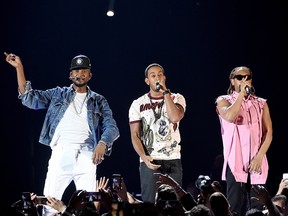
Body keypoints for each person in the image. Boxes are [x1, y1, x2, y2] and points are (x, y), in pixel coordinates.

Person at [4, 52, 120, 216]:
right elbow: (29, 98)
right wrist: (19, 68)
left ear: (90, 74)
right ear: (70, 74)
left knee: (89, 209)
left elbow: (112, 126)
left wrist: (102, 143)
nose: (80, 74)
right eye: (76, 71)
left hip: (87, 156)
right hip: (61, 153)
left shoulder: (98, 100)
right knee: (50, 206)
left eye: (84, 70)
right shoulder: (57, 94)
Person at [215, 66, 273, 216]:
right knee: (234, 207)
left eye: (247, 77)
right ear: (232, 81)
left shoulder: (261, 103)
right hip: (235, 162)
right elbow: (230, 117)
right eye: (240, 77)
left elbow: (269, 133)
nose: (244, 80)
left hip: (257, 161)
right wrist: (241, 95)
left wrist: (259, 157)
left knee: (257, 209)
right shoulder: (223, 100)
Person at [128, 63, 186, 203]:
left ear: (165, 78)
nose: (157, 78)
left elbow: (175, 117)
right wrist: (143, 156)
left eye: (160, 74)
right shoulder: (138, 104)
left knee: (173, 204)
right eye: (153, 76)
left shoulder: (177, 98)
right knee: (151, 204)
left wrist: (166, 93)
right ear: (147, 81)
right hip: (150, 160)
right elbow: (135, 135)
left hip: (173, 159)